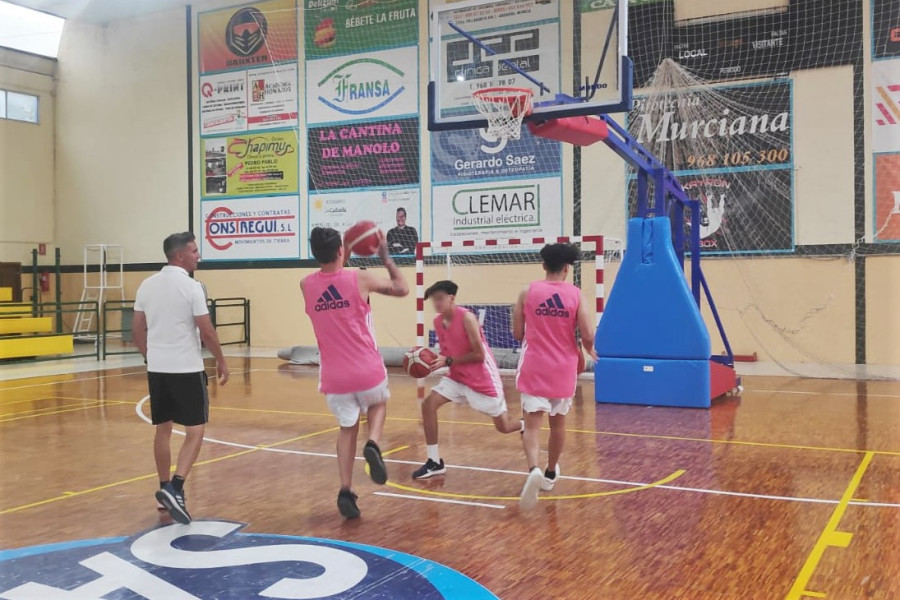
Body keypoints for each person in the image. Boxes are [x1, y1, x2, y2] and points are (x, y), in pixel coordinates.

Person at [300, 226, 409, 518]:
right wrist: (385, 258)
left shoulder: (306, 284)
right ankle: (373, 442)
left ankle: (345, 490)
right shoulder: (359, 278)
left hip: (334, 377)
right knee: (378, 402)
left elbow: (330, 270)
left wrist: (342, 246)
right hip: (366, 369)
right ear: (341, 252)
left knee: (347, 428)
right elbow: (402, 288)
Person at [132, 232, 230, 524]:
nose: (198, 256)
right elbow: (207, 330)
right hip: (186, 369)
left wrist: (150, 355)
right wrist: (222, 362)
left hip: (158, 369)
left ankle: (164, 489)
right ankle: (176, 486)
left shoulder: (146, 285)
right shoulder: (192, 287)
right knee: (196, 431)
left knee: (163, 429)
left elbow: (138, 329)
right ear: (180, 256)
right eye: (195, 251)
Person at [513, 243, 596, 510]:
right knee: (558, 424)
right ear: (568, 268)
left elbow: (517, 333)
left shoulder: (527, 292)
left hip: (534, 365)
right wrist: (589, 351)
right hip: (564, 367)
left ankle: (533, 468)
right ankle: (549, 473)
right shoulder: (575, 294)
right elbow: (588, 333)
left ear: (543, 265)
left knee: (532, 425)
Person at [412, 280, 523, 480]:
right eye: (433, 300)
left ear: (451, 298)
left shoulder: (467, 318)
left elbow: (478, 355)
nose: (436, 304)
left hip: (481, 377)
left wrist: (449, 360)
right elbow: (447, 353)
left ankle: (522, 425)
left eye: (439, 299)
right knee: (428, 405)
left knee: (503, 427)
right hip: (457, 375)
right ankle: (434, 462)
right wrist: (432, 361)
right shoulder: (438, 322)